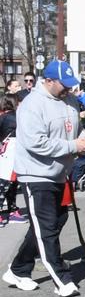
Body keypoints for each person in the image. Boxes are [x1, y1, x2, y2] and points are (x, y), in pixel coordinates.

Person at [3, 60, 85, 297]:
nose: (68, 89)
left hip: (60, 173)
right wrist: (73, 145)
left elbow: (76, 130)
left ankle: (18, 269)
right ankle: (61, 279)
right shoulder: (32, 104)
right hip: (35, 173)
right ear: (49, 81)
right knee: (46, 227)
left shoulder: (70, 100)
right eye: (63, 84)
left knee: (55, 221)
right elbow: (35, 142)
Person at [0, 95, 25, 225]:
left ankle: (11, 210)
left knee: (7, 183)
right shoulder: (14, 117)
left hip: (6, 153)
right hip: (11, 153)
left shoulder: (3, 117)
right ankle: (11, 210)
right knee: (6, 184)